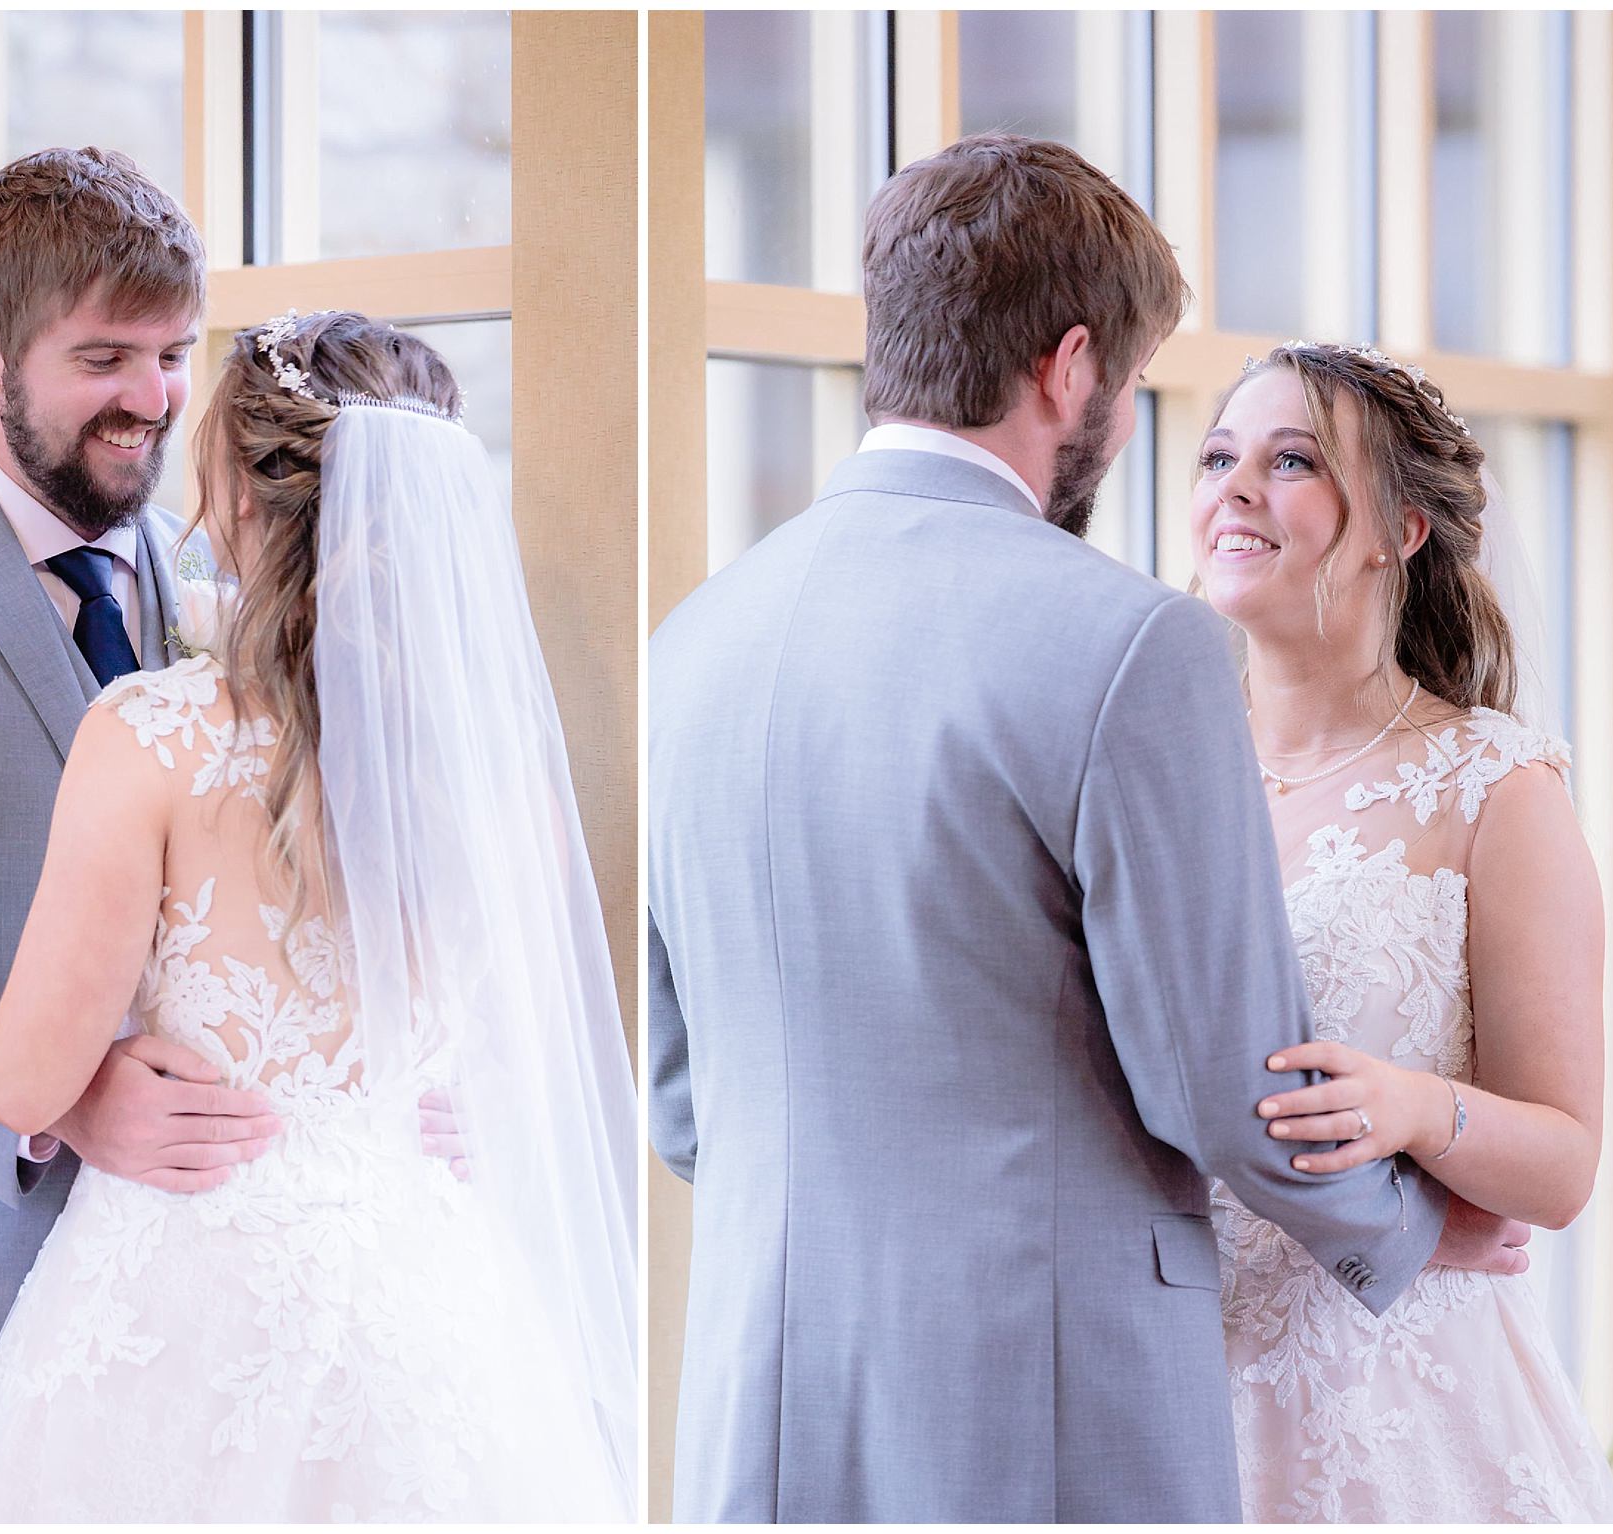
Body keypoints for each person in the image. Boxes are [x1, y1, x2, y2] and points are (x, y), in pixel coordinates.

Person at [647, 133, 1520, 1523]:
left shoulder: (692, 642)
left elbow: (683, 1100)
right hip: (1047, 1409)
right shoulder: (1130, 643)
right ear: (1069, 368)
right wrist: (1412, 1227)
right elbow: (1226, 1084)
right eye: (1129, 388)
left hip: (758, 1408)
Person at [0, 309, 638, 1520]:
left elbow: (23, 1073)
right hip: (423, 1309)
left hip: (190, 1306)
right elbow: (500, 1034)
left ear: (253, 499)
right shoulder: (486, 766)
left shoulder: (155, 736)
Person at [1189, 342, 1613, 1522]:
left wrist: (1413, 1107)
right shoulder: (1159, 773)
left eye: (1289, 460)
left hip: (1401, 1417)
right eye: (1217, 455)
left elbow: (1563, 1163)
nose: (1232, 488)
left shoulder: (1492, 788)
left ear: (1399, 527)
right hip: (1174, 1400)